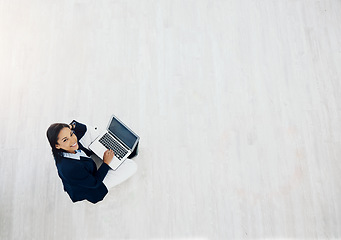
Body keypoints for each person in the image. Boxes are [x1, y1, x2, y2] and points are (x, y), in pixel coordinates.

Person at [46, 120, 138, 204]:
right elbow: (95, 183)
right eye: (65, 140)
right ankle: (118, 155)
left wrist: (72, 126)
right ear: (57, 145)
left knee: (89, 132)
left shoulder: (62, 150)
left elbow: (83, 129)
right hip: (95, 189)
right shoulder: (70, 168)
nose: (73, 140)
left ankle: (115, 149)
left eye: (71, 134)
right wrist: (106, 163)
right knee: (132, 166)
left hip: (84, 172)